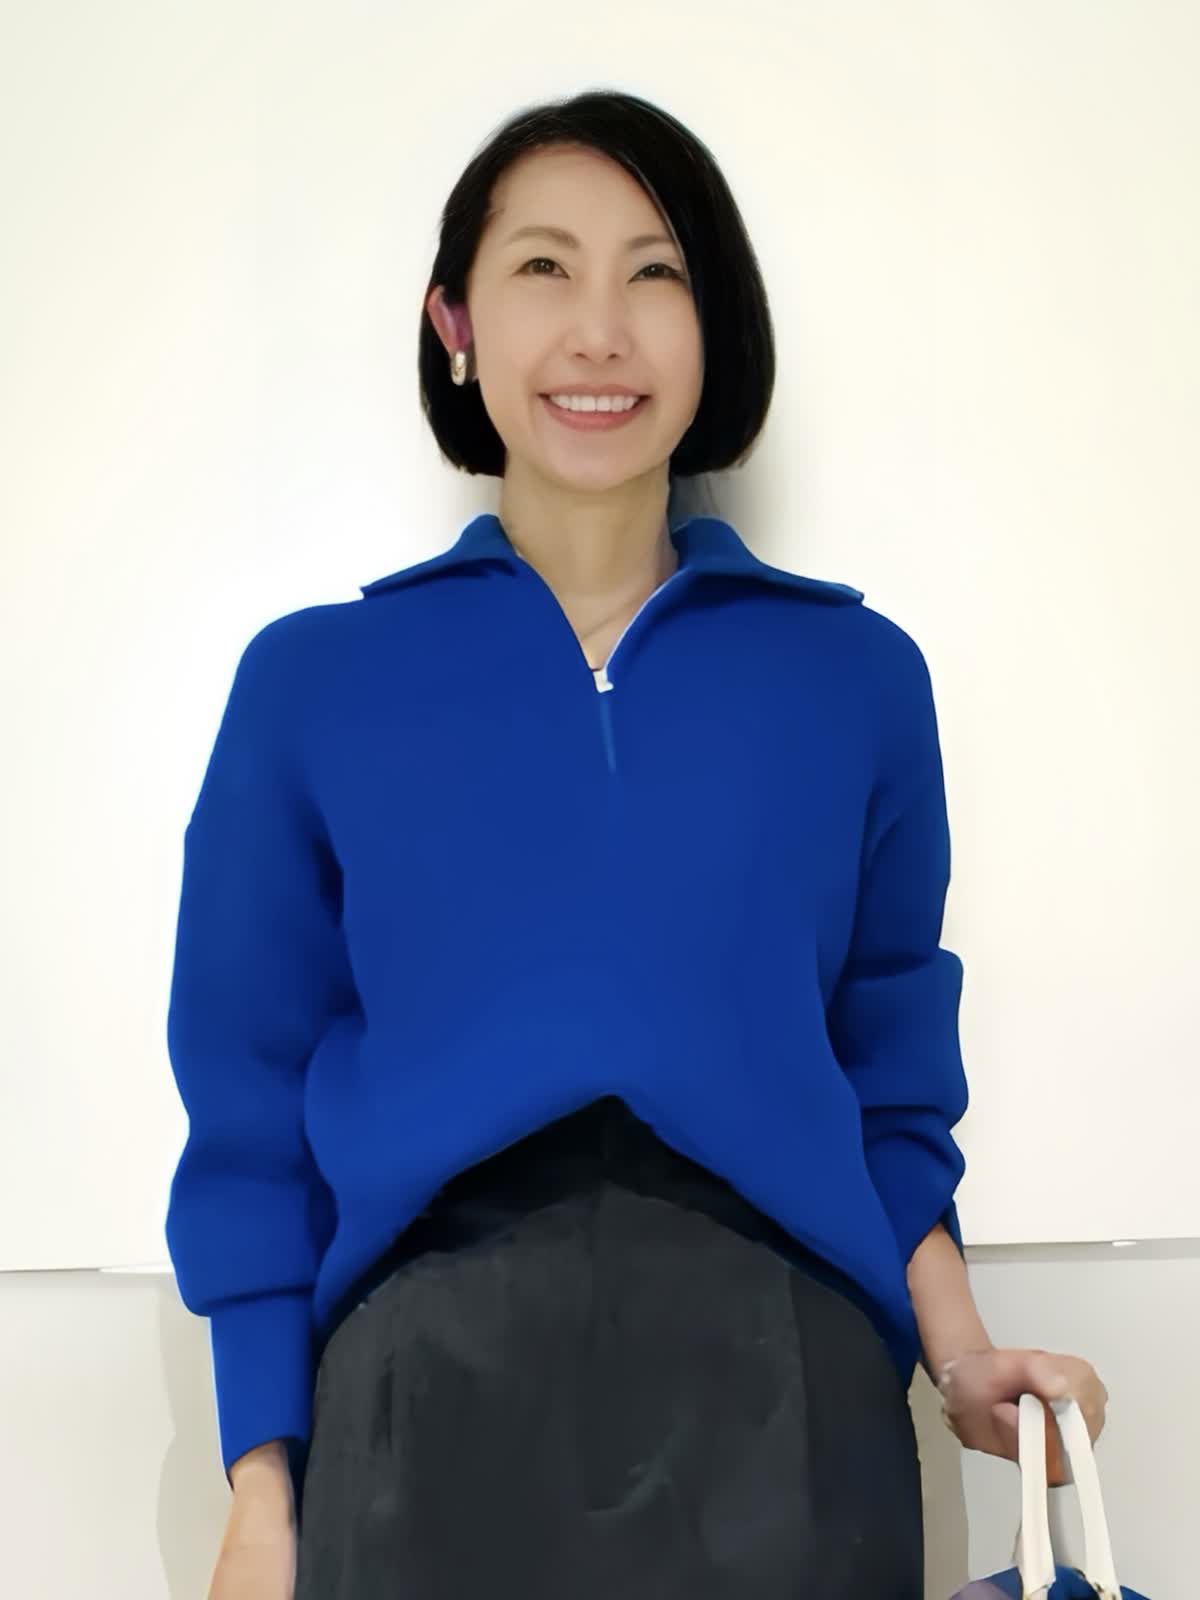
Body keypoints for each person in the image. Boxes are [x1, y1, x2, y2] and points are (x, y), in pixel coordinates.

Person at [164, 88, 1107, 1600]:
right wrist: (261, 1493)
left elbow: (887, 1085)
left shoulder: (855, 680)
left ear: (713, 327)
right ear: (455, 324)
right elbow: (250, 1110)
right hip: (423, 1405)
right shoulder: (313, 683)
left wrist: (964, 1359)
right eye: (544, 268)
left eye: (655, 273)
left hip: (788, 1404)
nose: (599, 331)